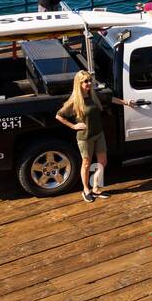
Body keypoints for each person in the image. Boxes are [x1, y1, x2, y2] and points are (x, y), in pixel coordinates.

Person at [55, 70, 136, 202]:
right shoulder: (75, 100)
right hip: (85, 137)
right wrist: (73, 126)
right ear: (79, 84)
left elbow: (111, 99)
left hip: (99, 134)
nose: (88, 83)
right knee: (86, 164)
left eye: (89, 80)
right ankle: (86, 189)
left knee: (102, 162)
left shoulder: (93, 95)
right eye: (85, 81)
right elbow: (59, 115)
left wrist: (127, 102)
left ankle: (96, 188)